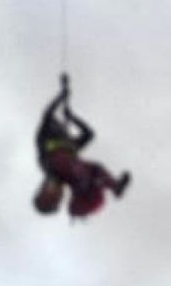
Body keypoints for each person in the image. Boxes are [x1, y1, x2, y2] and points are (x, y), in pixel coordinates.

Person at [33, 73, 130, 218]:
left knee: (92, 168)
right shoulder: (45, 135)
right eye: (57, 124)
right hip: (65, 172)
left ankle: (114, 186)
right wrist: (62, 95)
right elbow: (47, 114)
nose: (60, 126)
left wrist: (71, 117)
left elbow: (89, 134)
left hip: (68, 173)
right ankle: (96, 191)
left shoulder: (70, 144)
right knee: (82, 170)